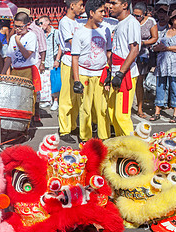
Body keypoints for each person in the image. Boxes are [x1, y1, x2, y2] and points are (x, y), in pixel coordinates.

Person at [72, 0, 111, 142]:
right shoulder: (79, 33)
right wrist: (76, 81)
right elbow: (75, 58)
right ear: (91, 13)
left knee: (102, 108)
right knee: (85, 108)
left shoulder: (105, 30)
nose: (103, 14)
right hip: (84, 74)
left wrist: (109, 74)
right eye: (101, 11)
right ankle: (85, 138)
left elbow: (108, 53)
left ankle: (104, 137)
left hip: (101, 74)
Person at [150, 8, 176, 124]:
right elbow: (156, 45)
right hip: (162, 63)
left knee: (174, 87)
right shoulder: (165, 31)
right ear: (172, 19)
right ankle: (157, 111)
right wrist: (158, 48)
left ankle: (175, 113)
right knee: (160, 86)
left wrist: (167, 48)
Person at [107, 0, 141, 136]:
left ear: (125, 5)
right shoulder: (119, 23)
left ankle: (134, 148)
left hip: (125, 74)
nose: (110, 6)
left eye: (114, 3)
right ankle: (122, 144)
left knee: (122, 114)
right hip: (116, 71)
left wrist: (120, 74)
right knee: (112, 112)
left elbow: (134, 50)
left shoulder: (131, 22)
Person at [57, 0, 84, 143]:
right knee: (66, 96)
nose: (82, 7)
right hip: (69, 60)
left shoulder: (78, 22)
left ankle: (73, 125)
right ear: (72, 5)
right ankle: (64, 129)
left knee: (76, 97)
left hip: (78, 61)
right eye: (80, 4)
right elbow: (72, 42)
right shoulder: (65, 22)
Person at [1, 12, 40, 100]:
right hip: (16, 70)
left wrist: (18, 42)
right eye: (15, 26)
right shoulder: (13, 38)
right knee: (15, 96)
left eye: (20, 27)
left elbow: (26, 55)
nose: (18, 29)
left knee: (28, 97)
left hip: (28, 70)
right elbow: (9, 57)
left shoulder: (31, 36)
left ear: (27, 25)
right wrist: (3, 73)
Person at [132, 2, 157, 119]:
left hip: (143, 54)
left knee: (139, 81)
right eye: (134, 15)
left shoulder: (151, 21)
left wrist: (143, 42)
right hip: (131, 53)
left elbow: (154, 38)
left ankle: (140, 108)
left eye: (139, 16)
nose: (136, 18)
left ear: (144, 14)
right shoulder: (131, 21)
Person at [39, 16, 60, 110]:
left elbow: (60, 47)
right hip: (45, 61)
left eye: (41, 23)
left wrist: (57, 60)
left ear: (47, 22)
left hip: (53, 60)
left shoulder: (56, 33)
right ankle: (48, 100)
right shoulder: (41, 34)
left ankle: (55, 101)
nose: (40, 25)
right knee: (46, 82)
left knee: (54, 81)